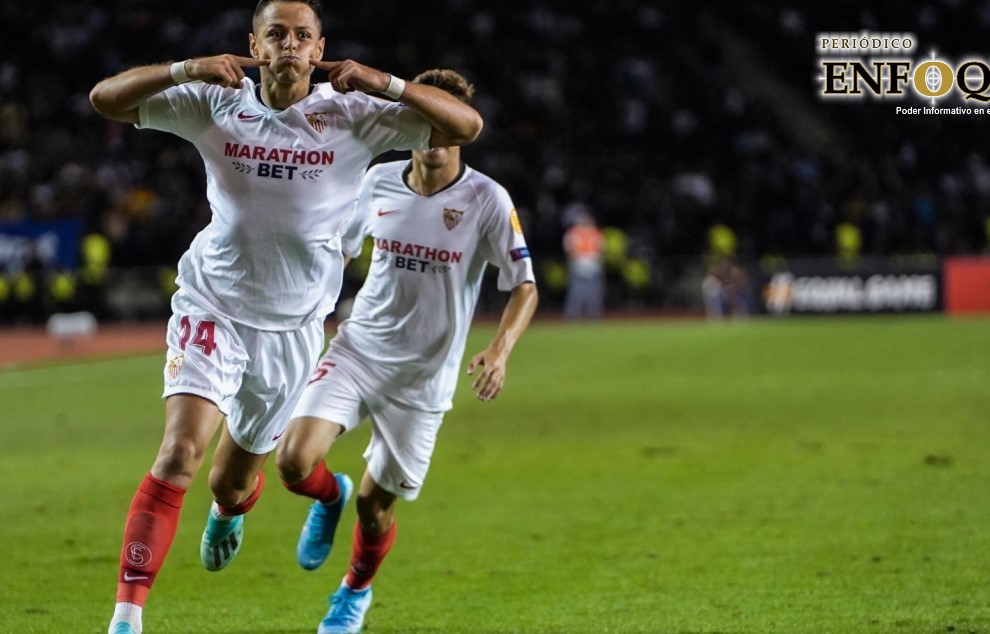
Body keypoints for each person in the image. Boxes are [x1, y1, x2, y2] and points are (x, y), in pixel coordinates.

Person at [87, 3, 483, 633]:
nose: (290, 45)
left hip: (293, 329)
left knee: (228, 484)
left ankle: (262, 505)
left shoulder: (353, 116)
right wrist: (185, 67)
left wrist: (385, 82)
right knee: (179, 455)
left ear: (320, 47)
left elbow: (464, 127)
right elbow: (105, 99)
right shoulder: (216, 102)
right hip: (213, 304)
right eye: (277, 34)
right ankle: (127, 618)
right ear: (255, 45)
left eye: (303, 36)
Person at [273, 68, 538, 634]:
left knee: (376, 509)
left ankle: (354, 591)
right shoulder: (378, 180)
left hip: (424, 379)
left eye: (448, 129)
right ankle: (328, 495)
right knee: (293, 462)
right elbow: (338, 253)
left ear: (462, 134)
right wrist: (305, 306)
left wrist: (500, 349)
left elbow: (525, 284)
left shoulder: (488, 200)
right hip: (359, 349)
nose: (437, 140)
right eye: (427, 125)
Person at [562, 210, 605, 319]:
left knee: (591, 292)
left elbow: (601, 248)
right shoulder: (575, 233)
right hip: (582, 264)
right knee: (578, 292)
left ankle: (592, 314)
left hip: (589, 264)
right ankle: (574, 315)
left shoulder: (592, 232)